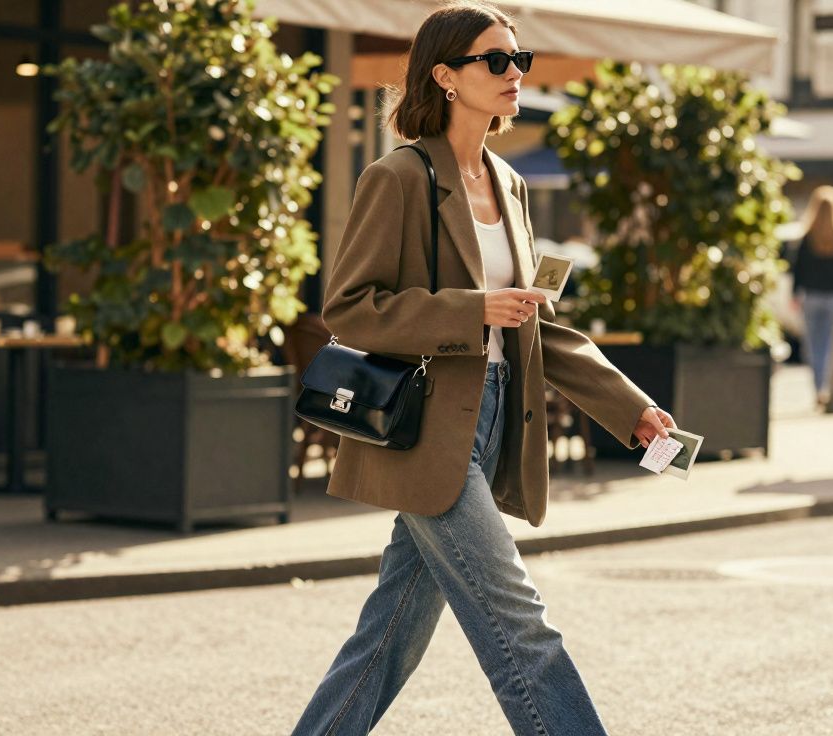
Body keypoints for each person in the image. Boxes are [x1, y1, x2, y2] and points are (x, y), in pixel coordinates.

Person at [291, 3, 676, 734]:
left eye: (518, 59)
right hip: (426, 426)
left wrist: (630, 407)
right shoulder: (399, 177)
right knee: (518, 622)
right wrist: (470, 309)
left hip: (498, 416)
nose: (513, 74)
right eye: (494, 60)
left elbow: (539, 325)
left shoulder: (510, 183)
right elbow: (350, 308)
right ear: (445, 76)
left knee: (389, 635)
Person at [792, 185, 833, 409]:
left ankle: (819, 387)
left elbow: (798, 269)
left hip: (812, 296)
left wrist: (795, 293)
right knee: (829, 345)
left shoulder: (808, 237)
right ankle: (825, 386)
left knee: (813, 346)